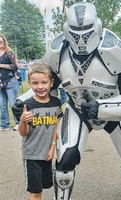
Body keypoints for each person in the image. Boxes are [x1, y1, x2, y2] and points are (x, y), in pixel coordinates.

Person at [13, 2, 121, 200]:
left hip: (113, 107)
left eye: (86, 29)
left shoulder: (112, 47)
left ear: (96, 25)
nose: (81, 35)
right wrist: (22, 101)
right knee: (65, 161)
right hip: (77, 109)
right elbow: (46, 86)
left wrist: (101, 108)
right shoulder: (58, 51)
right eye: (76, 29)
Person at [18, 62, 62, 200]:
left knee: (44, 186)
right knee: (35, 192)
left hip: (47, 154)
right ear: (30, 84)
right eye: (35, 83)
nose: (40, 87)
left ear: (51, 82)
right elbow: (23, 133)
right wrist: (22, 120)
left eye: (44, 82)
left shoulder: (56, 103)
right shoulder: (28, 105)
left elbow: (56, 125)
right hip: (32, 155)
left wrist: (53, 147)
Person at [0, 33, 19, 131]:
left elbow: (15, 66)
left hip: (10, 81)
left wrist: (1, 65)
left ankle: (18, 123)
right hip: (0, 83)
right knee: (2, 105)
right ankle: (5, 125)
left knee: (13, 104)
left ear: (4, 41)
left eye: (1, 41)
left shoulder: (9, 52)